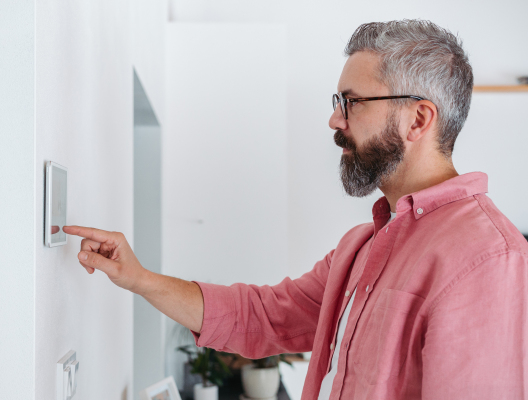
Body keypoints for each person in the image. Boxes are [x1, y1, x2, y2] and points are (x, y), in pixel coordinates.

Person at [64, 20, 528, 400]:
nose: (335, 119)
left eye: (352, 102)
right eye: (337, 102)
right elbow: (261, 317)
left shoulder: (488, 257)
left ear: (418, 119)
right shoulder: (361, 246)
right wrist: (139, 277)